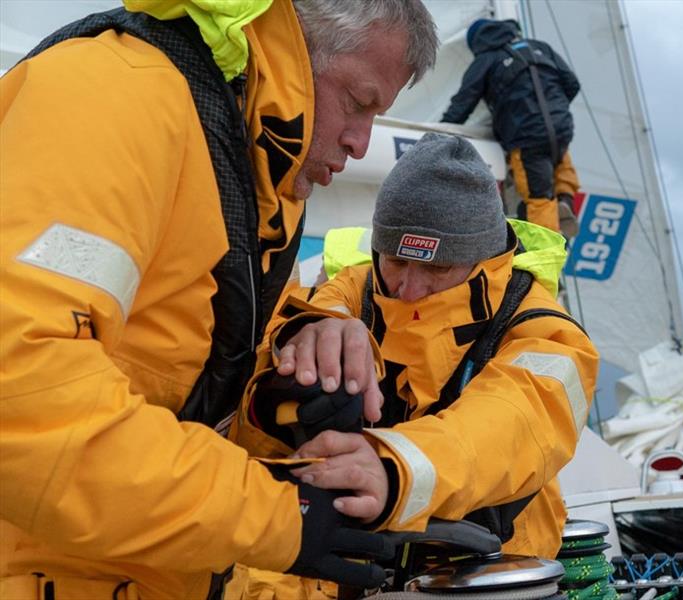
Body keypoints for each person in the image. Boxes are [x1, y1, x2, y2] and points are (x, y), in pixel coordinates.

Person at [0, 0, 438, 598]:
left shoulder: (254, 184)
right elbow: (21, 389)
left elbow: (173, 374)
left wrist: (291, 361)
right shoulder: (111, 96)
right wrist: (280, 518)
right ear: (292, 48)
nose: (362, 143)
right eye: (359, 104)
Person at [234, 132, 599, 597]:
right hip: (339, 573)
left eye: (436, 269)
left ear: (482, 258)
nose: (408, 287)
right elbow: (254, 427)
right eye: (397, 260)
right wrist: (291, 358)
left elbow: (511, 425)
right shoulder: (344, 294)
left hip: (487, 579)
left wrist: (394, 468)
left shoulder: (545, 331)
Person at [440, 18, 581, 238]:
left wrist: (441, 132)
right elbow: (572, 83)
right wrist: (554, 110)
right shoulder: (538, 47)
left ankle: (543, 253)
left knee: (538, 198)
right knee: (560, 156)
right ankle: (565, 199)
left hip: (525, 136)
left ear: (477, 42)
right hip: (561, 126)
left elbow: (463, 102)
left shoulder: (486, 60)